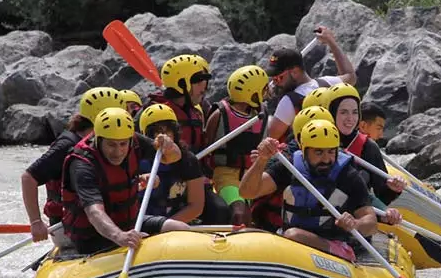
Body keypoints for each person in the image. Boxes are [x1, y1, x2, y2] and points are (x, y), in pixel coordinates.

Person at [239, 120, 377, 262]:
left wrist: (355, 224)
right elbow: (247, 192)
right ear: (304, 151)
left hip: (332, 245)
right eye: (319, 152)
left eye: (331, 151)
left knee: (294, 235)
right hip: (289, 240)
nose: (326, 159)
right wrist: (262, 160)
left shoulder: (347, 176)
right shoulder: (290, 167)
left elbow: (371, 222)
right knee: (246, 234)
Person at [59, 108, 190, 255]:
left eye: (122, 144)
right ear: (98, 139)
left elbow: (174, 157)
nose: (118, 152)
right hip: (94, 235)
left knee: (180, 228)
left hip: (130, 223)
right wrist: (119, 236)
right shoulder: (82, 164)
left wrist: (169, 146)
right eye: (111, 145)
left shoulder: (134, 141)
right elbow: (94, 211)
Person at [20, 87, 123, 245]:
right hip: (69, 226)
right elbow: (29, 178)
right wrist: (36, 222)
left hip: (96, 218)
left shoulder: (106, 144)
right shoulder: (67, 146)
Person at [320, 83, 406, 223]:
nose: (350, 118)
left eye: (354, 112)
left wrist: (392, 189)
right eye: (343, 112)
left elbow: (381, 195)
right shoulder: (314, 139)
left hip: (352, 220)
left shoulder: (368, 147)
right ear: (331, 111)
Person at [246, 106, 334, 232]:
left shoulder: (342, 165)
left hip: (324, 236)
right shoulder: (286, 161)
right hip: (282, 231)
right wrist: (261, 161)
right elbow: (248, 192)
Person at [140, 103, 229, 225]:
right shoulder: (137, 158)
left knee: (220, 209)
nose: (164, 137)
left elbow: (196, 206)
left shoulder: (188, 159)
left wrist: (167, 225)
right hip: (143, 221)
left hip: (174, 220)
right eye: (157, 132)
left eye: (168, 131)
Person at [263, 26, 356, 141]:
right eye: (274, 78)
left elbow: (271, 136)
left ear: (295, 72)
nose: (276, 83)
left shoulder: (289, 101)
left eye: (279, 78)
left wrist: (260, 106)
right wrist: (331, 42)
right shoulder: (327, 83)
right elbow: (350, 76)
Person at [204, 65, 269, 226]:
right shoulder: (219, 115)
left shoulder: (261, 115)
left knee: (250, 215)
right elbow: (205, 149)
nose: (266, 92)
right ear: (252, 93)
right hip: (225, 175)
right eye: (263, 89)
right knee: (240, 212)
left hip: (250, 176)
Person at [145, 54, 210, 153]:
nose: (204, 89)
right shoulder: (159, 115)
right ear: (183, 84)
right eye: (198, 81)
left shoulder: (196, 110)